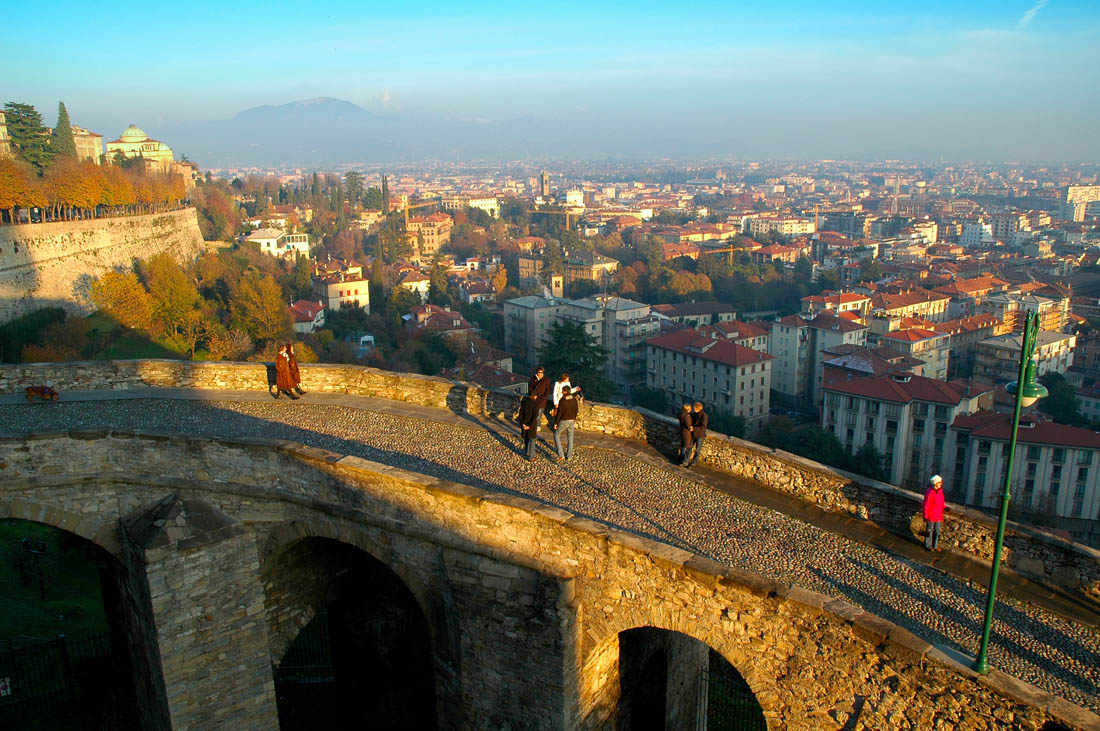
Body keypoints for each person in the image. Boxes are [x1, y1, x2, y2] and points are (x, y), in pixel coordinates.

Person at [553, 385, 579, 461]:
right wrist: (574, 418)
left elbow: (559, 413)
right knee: (570, 438)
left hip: (564, 420)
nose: (562, 392)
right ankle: (569, 456)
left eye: (563, 390)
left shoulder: (563, 400)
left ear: (565, 391)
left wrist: (556, 423)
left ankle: (561, 455)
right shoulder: (574, 400)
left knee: (556, 435)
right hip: (572, 420)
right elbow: (576, 410)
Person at [923, 474, 946, 551]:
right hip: (931, 515)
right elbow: (926, 505)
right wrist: (925, 516)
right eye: (939, 482)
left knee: (937, 530)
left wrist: (945, 507)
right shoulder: (930, 492)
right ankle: (928, 545)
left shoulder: (940, 491)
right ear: (935, 483)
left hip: (938, 514)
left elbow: (941, 502)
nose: (941, 483)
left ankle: (935, 545)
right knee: (929, 530)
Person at [683, 402, 708, 467]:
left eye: (695, 408)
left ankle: (694, 462)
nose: (693, 409)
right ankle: (686, 461)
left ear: (698, 408)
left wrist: (693, 428)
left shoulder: (704, 416)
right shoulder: (694, 414)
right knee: (689, 448)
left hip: (700, 435)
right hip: (693, 434)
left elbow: (703, 427)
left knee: (697, 450)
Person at [518, 393, 541, 462]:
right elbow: (535, 417)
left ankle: (526, 452)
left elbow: (520, 414)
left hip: (524, 424)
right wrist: (529, 426)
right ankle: (531, 457)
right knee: (532, 440)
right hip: (531, 426)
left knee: (526, 439)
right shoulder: (536, 404)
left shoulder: (524, 402)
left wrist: (523, 424)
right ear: (535, 396)